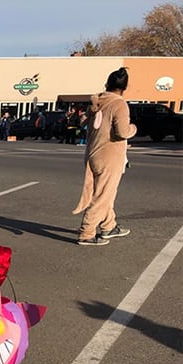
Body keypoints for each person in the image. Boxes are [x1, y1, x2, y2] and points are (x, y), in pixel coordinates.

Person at [72, 67, 136, 246]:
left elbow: (82, 122)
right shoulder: (119, 104)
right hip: (110, 155)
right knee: (103, 195)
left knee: (104, 193)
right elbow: (122, 131)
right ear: (125, 87)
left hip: (93, 153)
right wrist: (134, 129)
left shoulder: (97, 101)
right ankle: (87, 232)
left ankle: (109, 226)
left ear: (107, 83)